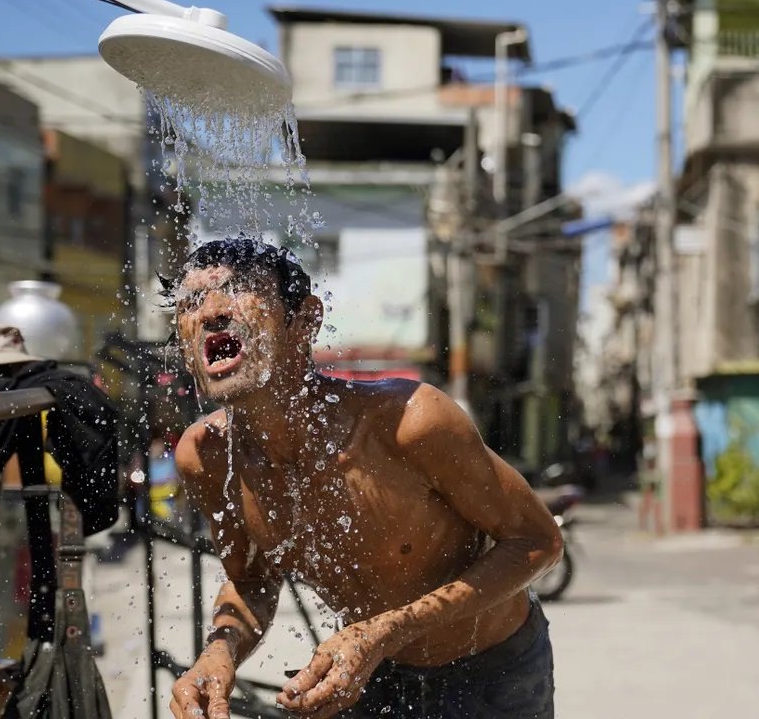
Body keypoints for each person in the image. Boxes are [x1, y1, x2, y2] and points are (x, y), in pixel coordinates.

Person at [166, 238, 563, 719]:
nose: (211, 311)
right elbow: (251, 579)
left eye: (240, 290)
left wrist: (385, 631)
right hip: (367, 674)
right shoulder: (206, 455)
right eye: (190, 301)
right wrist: (218, 655)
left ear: (305, 321)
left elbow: (537, 541)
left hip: (489, 672)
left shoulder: (408, 421)